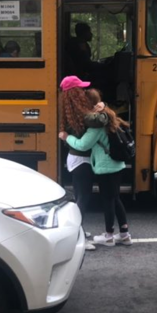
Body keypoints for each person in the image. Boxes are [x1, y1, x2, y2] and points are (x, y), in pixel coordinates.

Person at [59, 90, 132, 247]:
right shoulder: (109, 116)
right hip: (117, 165)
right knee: (116, 198)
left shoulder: (96, 127)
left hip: (105, 168)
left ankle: (109, 236)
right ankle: (124, 234)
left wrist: (67, 137)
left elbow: (83, 144)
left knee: (107, 201)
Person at [59, 76, 108, 251]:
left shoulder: (69, 110)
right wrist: (102, 108)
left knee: (80, 196)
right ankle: (77, 235)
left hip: (75, 158)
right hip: (82, 159)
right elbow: (100, 120)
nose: (83, 91)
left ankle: (78, 230)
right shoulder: (83, 114)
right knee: (83, 199)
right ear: (74, 93)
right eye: (80, 89)